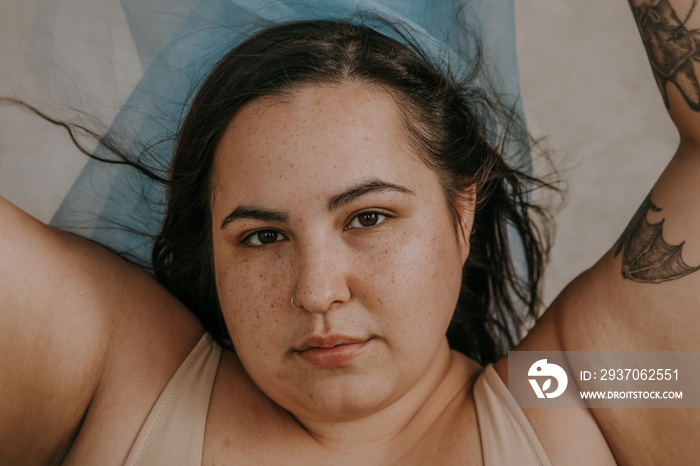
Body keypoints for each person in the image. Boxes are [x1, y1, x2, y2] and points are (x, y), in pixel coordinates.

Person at [1, 2, 698, 465]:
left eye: (368, 218)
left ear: (462, 214)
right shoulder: (128, 378)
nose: (317, 292)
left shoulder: (564, 395)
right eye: (261, 237)